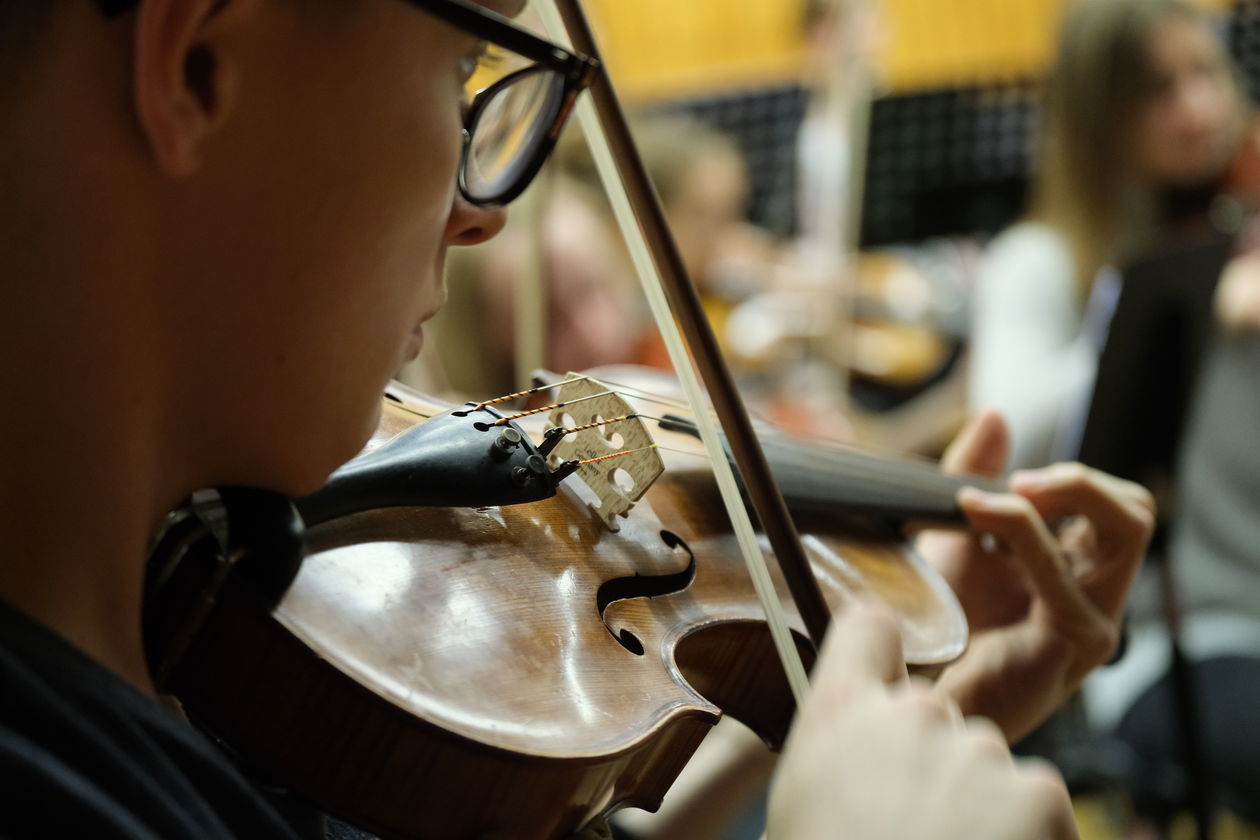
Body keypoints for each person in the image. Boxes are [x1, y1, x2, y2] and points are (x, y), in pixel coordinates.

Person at [0, 1, 1152, 839]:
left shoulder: (185, 625)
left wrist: (856, 730)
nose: (477, 214)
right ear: (198, 63)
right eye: (462, 74)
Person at [971, 0, 1249, 469]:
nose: (1199, 109)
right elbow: (1007, 440)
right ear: (1098, 116)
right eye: (1159, 90)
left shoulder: (1230, 209)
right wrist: (1180, 314)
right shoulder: (1036, 258)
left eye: (1205, 72)